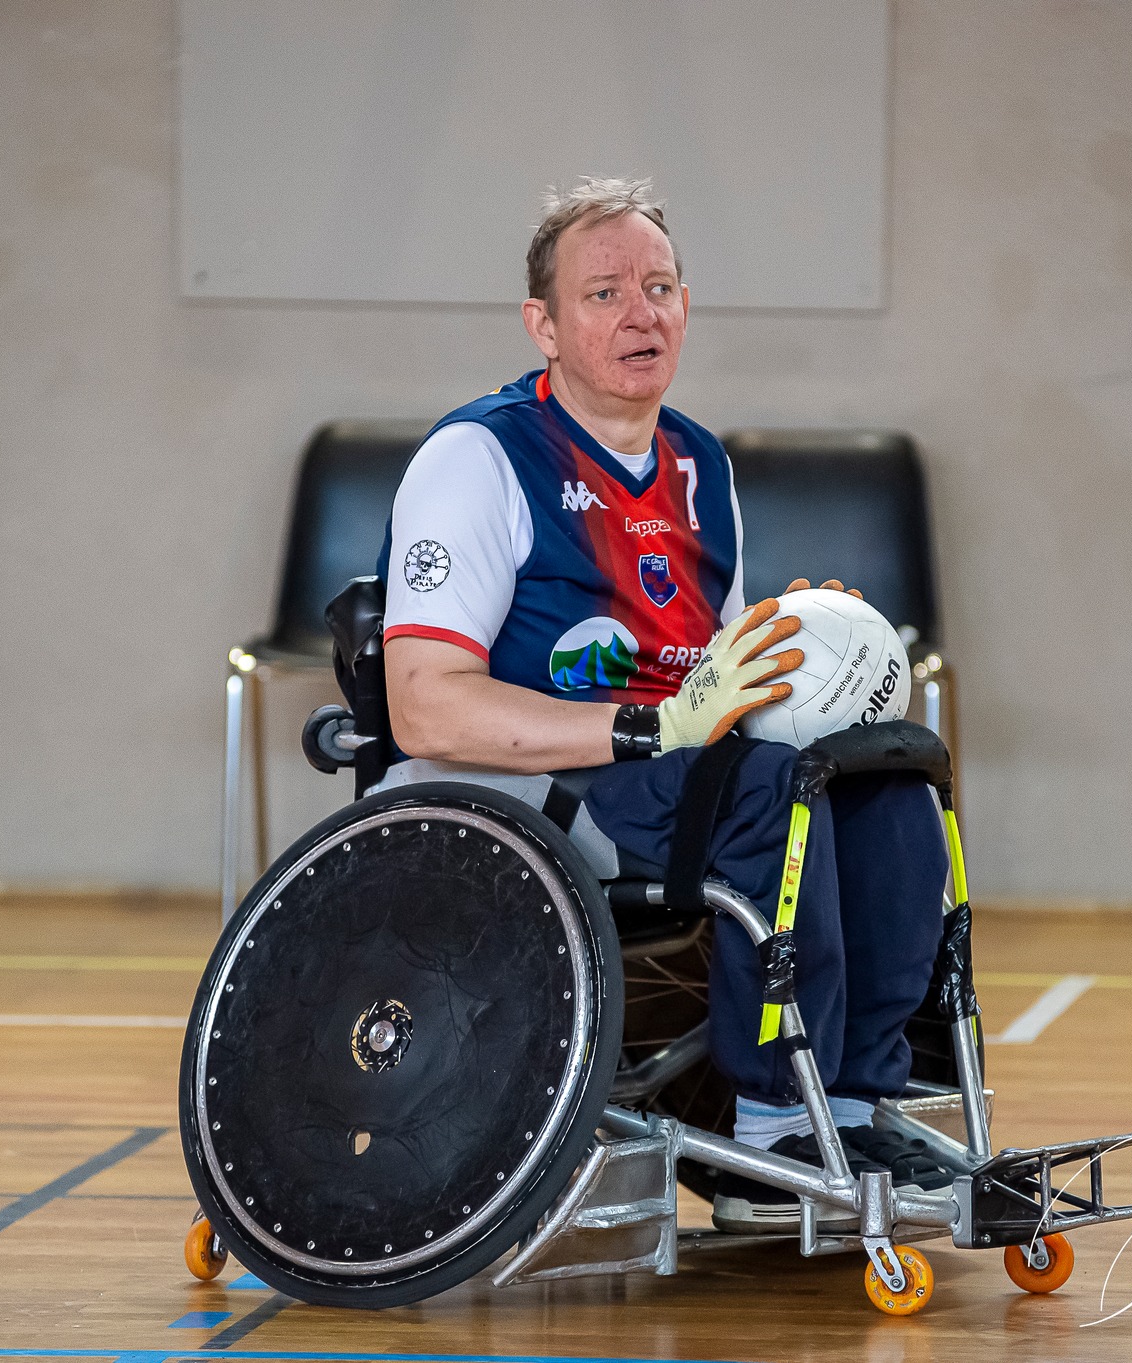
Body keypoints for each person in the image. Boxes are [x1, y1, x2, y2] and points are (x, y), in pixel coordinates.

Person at [376, 177, 950, 1231]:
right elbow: (422, 711)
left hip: (677, 776)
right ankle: (769, 1131)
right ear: (541, 324)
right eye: (603, 294)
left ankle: (860, 1099)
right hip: (533, 789)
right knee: (774, 789)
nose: (641, 313)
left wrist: (816, 652)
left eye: (659, 286)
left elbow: (717, 684)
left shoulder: (698, 461)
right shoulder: (479, 459)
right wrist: (649, 727)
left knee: (886, 772)